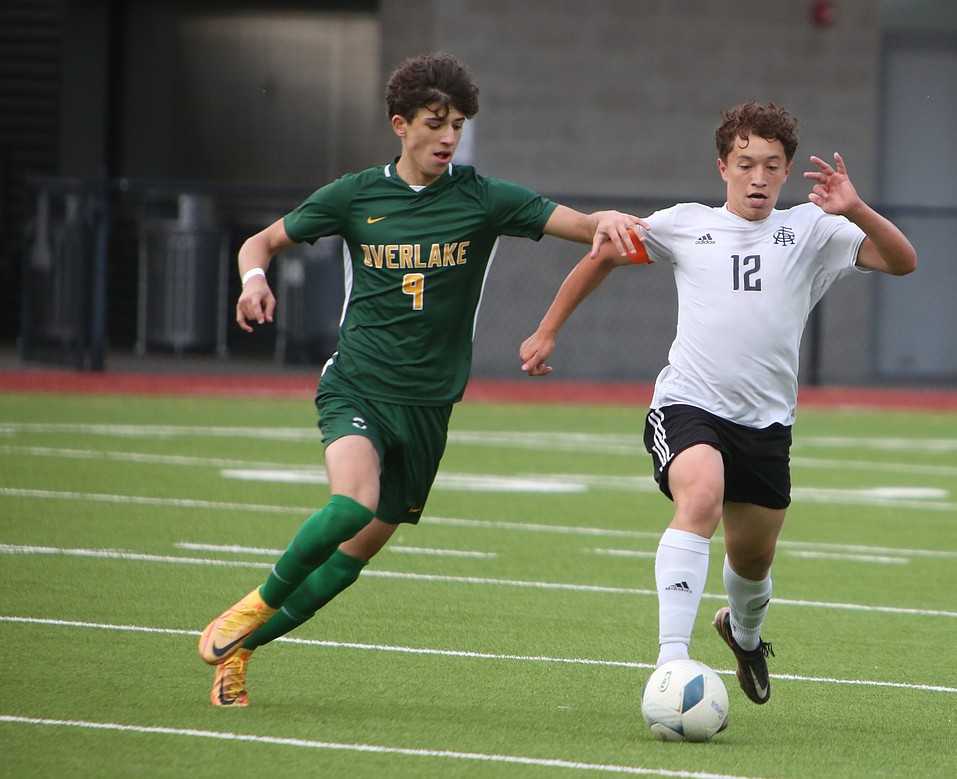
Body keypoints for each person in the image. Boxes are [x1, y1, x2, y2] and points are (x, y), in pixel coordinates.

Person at [198, 52, 647, 707]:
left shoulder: (483, 198)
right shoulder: (355, 195)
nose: (448, 137)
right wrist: (253, 281)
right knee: (351, 500)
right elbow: (258, 243)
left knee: (349, 563)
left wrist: (604, 222)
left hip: (430, 406)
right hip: (357, 383)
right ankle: (253, 604)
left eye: (458, 125)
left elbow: (579, 227)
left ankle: (239, 651)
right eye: (435, 123)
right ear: (399, 124)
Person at [519, 101, 916, 705]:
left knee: (752, 560)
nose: (758, 178)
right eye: (745, 163)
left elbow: (902, 262)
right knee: (699, 495)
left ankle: (744, 633)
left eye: (772, 166)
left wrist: (855, 208)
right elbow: (603, 253)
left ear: (787, 173)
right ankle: (671, 662)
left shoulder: (814, 229)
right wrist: (548, 329)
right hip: (688, 404)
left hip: (766, 424)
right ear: (722, 166)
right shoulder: (685, 224)